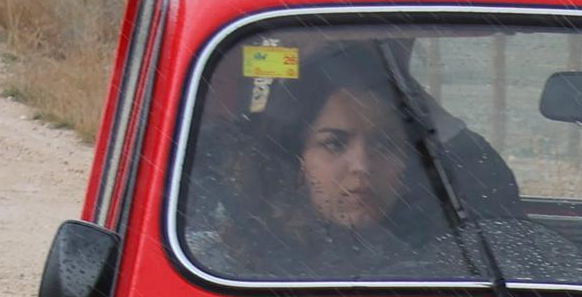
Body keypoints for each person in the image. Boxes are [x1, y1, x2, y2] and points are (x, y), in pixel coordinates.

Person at [193, 40, 523, 281]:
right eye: (334, 144)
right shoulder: (228, 270)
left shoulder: (436, 264)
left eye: (384, 144)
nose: (362, 165)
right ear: (295, 161)